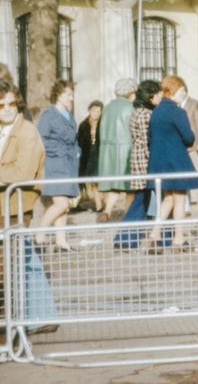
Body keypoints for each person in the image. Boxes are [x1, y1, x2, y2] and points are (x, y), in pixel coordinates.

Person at [0, 78, 58, 334]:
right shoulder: (5, 130)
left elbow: (21, 171)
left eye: (12, 103)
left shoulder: (26, 132)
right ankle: (43, 315)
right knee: (24, 258)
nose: (7, 109)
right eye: (1, 105)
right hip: (7, 205)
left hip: (14, 206)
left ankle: (14, 325)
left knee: (11, 265)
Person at [146, 75, 198, 253]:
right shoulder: (178, 112)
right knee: (179, 200)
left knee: (167, 199)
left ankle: (155, 234)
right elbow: (189, 137)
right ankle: (179, 239)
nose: (183, 93)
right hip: (176, 161)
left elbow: (150, 138)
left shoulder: (156, 112)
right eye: (181, 90)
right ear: (173, 91)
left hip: (158, 162)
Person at [113, 80, 162, 249]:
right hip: (144, 160)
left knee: (142, 200)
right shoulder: (145, 114)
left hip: (138, 158)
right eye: (157, 94)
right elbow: (148, 139)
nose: (160, 96)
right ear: (150, 96)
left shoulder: (137, 112)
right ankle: (125, 238)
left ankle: (126, 238)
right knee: (141, 200)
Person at [34, 79, 80, 252]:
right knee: (61, 203)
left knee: (65, 204)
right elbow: (41, 140)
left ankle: (61, 242)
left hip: (69, 164)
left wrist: (77, 151)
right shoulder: (49, 115)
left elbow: (73, 140)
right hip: (54, 164)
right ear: (58, 95)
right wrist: (60, 151)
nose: (71, 98)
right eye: (68, 94)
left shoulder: (68, 115)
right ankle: (39, 235)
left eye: (72, 94)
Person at [96, 78, 136, 221]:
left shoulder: (107, 108)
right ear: (132, 92)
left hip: (108, 151)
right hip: (126, 150)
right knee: (131, 187)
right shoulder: (131, 108)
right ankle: (128, 216)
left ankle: (107, 211)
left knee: (114, 186)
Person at [175, 76, 198, 205]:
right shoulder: (175, 104)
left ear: (184, 91)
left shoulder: (195, 104)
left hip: (193, 145)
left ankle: (194, 197)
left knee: (195, 169)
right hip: (180, 145)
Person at [76, 99, 103, 213]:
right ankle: (99, 205)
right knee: (92, 181)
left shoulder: (103, 123)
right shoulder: (83, 124)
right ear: (89, 111)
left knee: (100, 181)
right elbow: (81, 141)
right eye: (93, 111)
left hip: (100, 154)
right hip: (88, 155)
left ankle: (101, 203)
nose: (95, 113)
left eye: (98, 111)